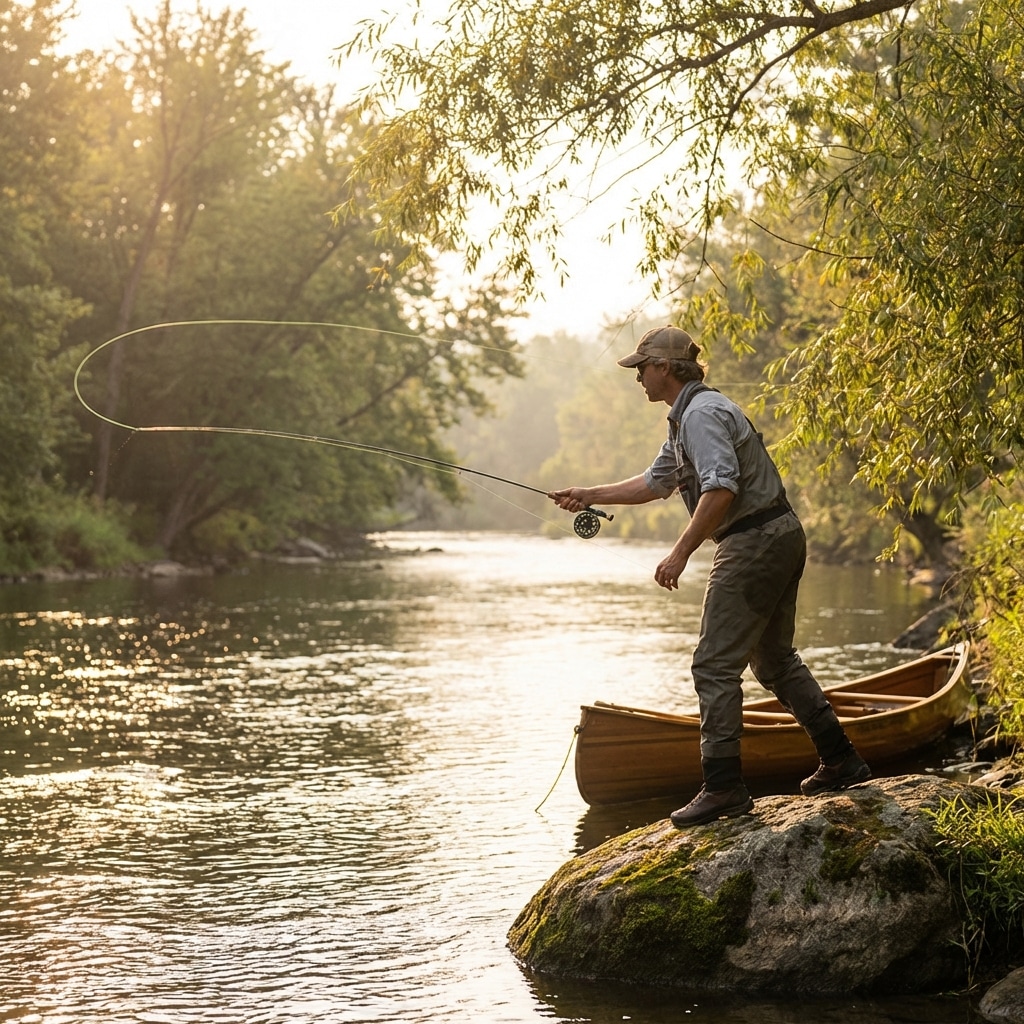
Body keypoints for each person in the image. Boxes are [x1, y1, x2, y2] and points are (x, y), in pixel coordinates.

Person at [548, 325, 871, 828]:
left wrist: (679, 553)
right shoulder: (687, 420)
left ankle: (723, 788)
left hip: (753, 541)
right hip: (779, 532)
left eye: (642, 368)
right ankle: (842, 760)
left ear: (666, 368)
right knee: (775, 662)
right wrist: (589, 494)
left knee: (713, 665)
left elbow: (720, 489)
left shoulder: (700, 416)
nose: (637, 378)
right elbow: (654, 484)